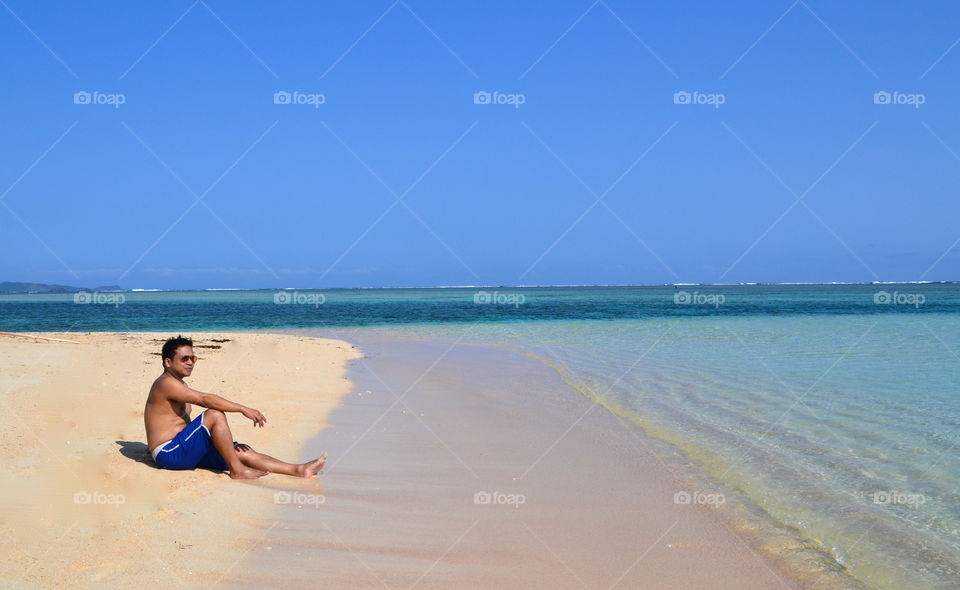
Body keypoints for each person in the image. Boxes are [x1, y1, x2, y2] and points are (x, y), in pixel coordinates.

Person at [144, 335, 327, 479]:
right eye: (184, 359)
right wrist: (243, 409)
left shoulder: (180, 385)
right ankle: (237, 471)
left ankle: (298, 469)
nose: (191, 362)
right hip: (169, 454)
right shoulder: (165, 383)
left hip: (182, 449)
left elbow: (171, 420)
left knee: (241, 451)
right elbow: (205, 399)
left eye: (193, 358)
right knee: (215, 414)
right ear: (168, 362)